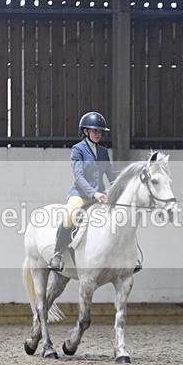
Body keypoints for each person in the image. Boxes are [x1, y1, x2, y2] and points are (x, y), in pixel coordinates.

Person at [49, 111, 117, 272]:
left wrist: (116, 189)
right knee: (70, 216)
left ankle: (128, 257)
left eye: (100, 131)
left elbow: (110, 174)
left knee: (120, 215)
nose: (98, 134)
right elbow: (78, 176)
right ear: (86, 131)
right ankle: (57, 254)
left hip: (100, 196)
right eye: (95, 131)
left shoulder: (103, 152)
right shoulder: (77, 150)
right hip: (80, 195)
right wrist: (94, 193)